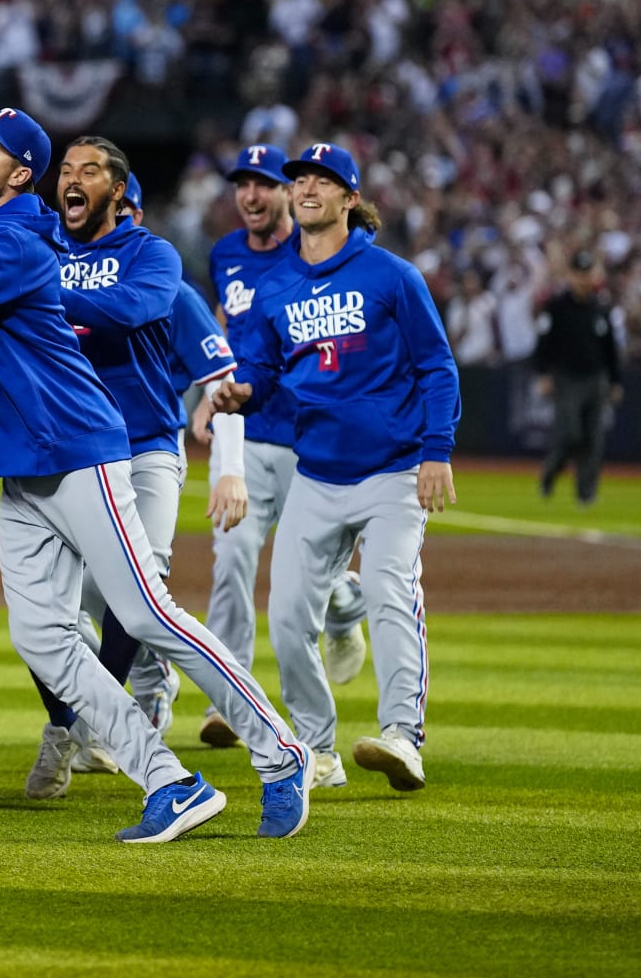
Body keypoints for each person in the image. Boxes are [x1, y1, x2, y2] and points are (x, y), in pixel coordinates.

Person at [0, 105, 310, 841]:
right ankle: (167, 782)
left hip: (79, 450)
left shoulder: (19, 237)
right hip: (22, 467)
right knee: (44, 642)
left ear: (20, 174)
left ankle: (281, 749)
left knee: (145, 614)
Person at [213, 143, 460, 793]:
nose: (307, 187)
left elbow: (437, 366)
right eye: (300, 179)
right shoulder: (274, 287)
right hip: (316, 474)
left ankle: (404, 736)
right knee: (289, 614)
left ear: (352, 199)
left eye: (324, 180)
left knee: (388, 590)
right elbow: (264, 375)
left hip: (393, 471)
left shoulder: (391, 276)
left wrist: (437, 452)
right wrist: (243, 393)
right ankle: (316, 747)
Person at [199, 145, 366, 753]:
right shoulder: (225, 254)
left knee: (314, 572)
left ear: (287, 194)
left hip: (307, 434)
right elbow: (221, 326)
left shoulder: (312, 257)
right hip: (243, 429)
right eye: (242, 184)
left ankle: (347, 606)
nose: (250, 196)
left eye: (264, 185)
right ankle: (232, 695)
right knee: (233, 556)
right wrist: (209, 391)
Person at [535, 250, 623, 505]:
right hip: (566, 378)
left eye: (588, 272)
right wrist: (543, 374)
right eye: (579, 273)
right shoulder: (557, 306)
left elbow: (611, 349)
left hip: (596, 378)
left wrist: (615, 380)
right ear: (570, 275)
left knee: (594, 439)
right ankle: (550, 474)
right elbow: (544, 343)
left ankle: (586, 493)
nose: (584, 278)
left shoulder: (601, 307)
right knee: (571, 433)